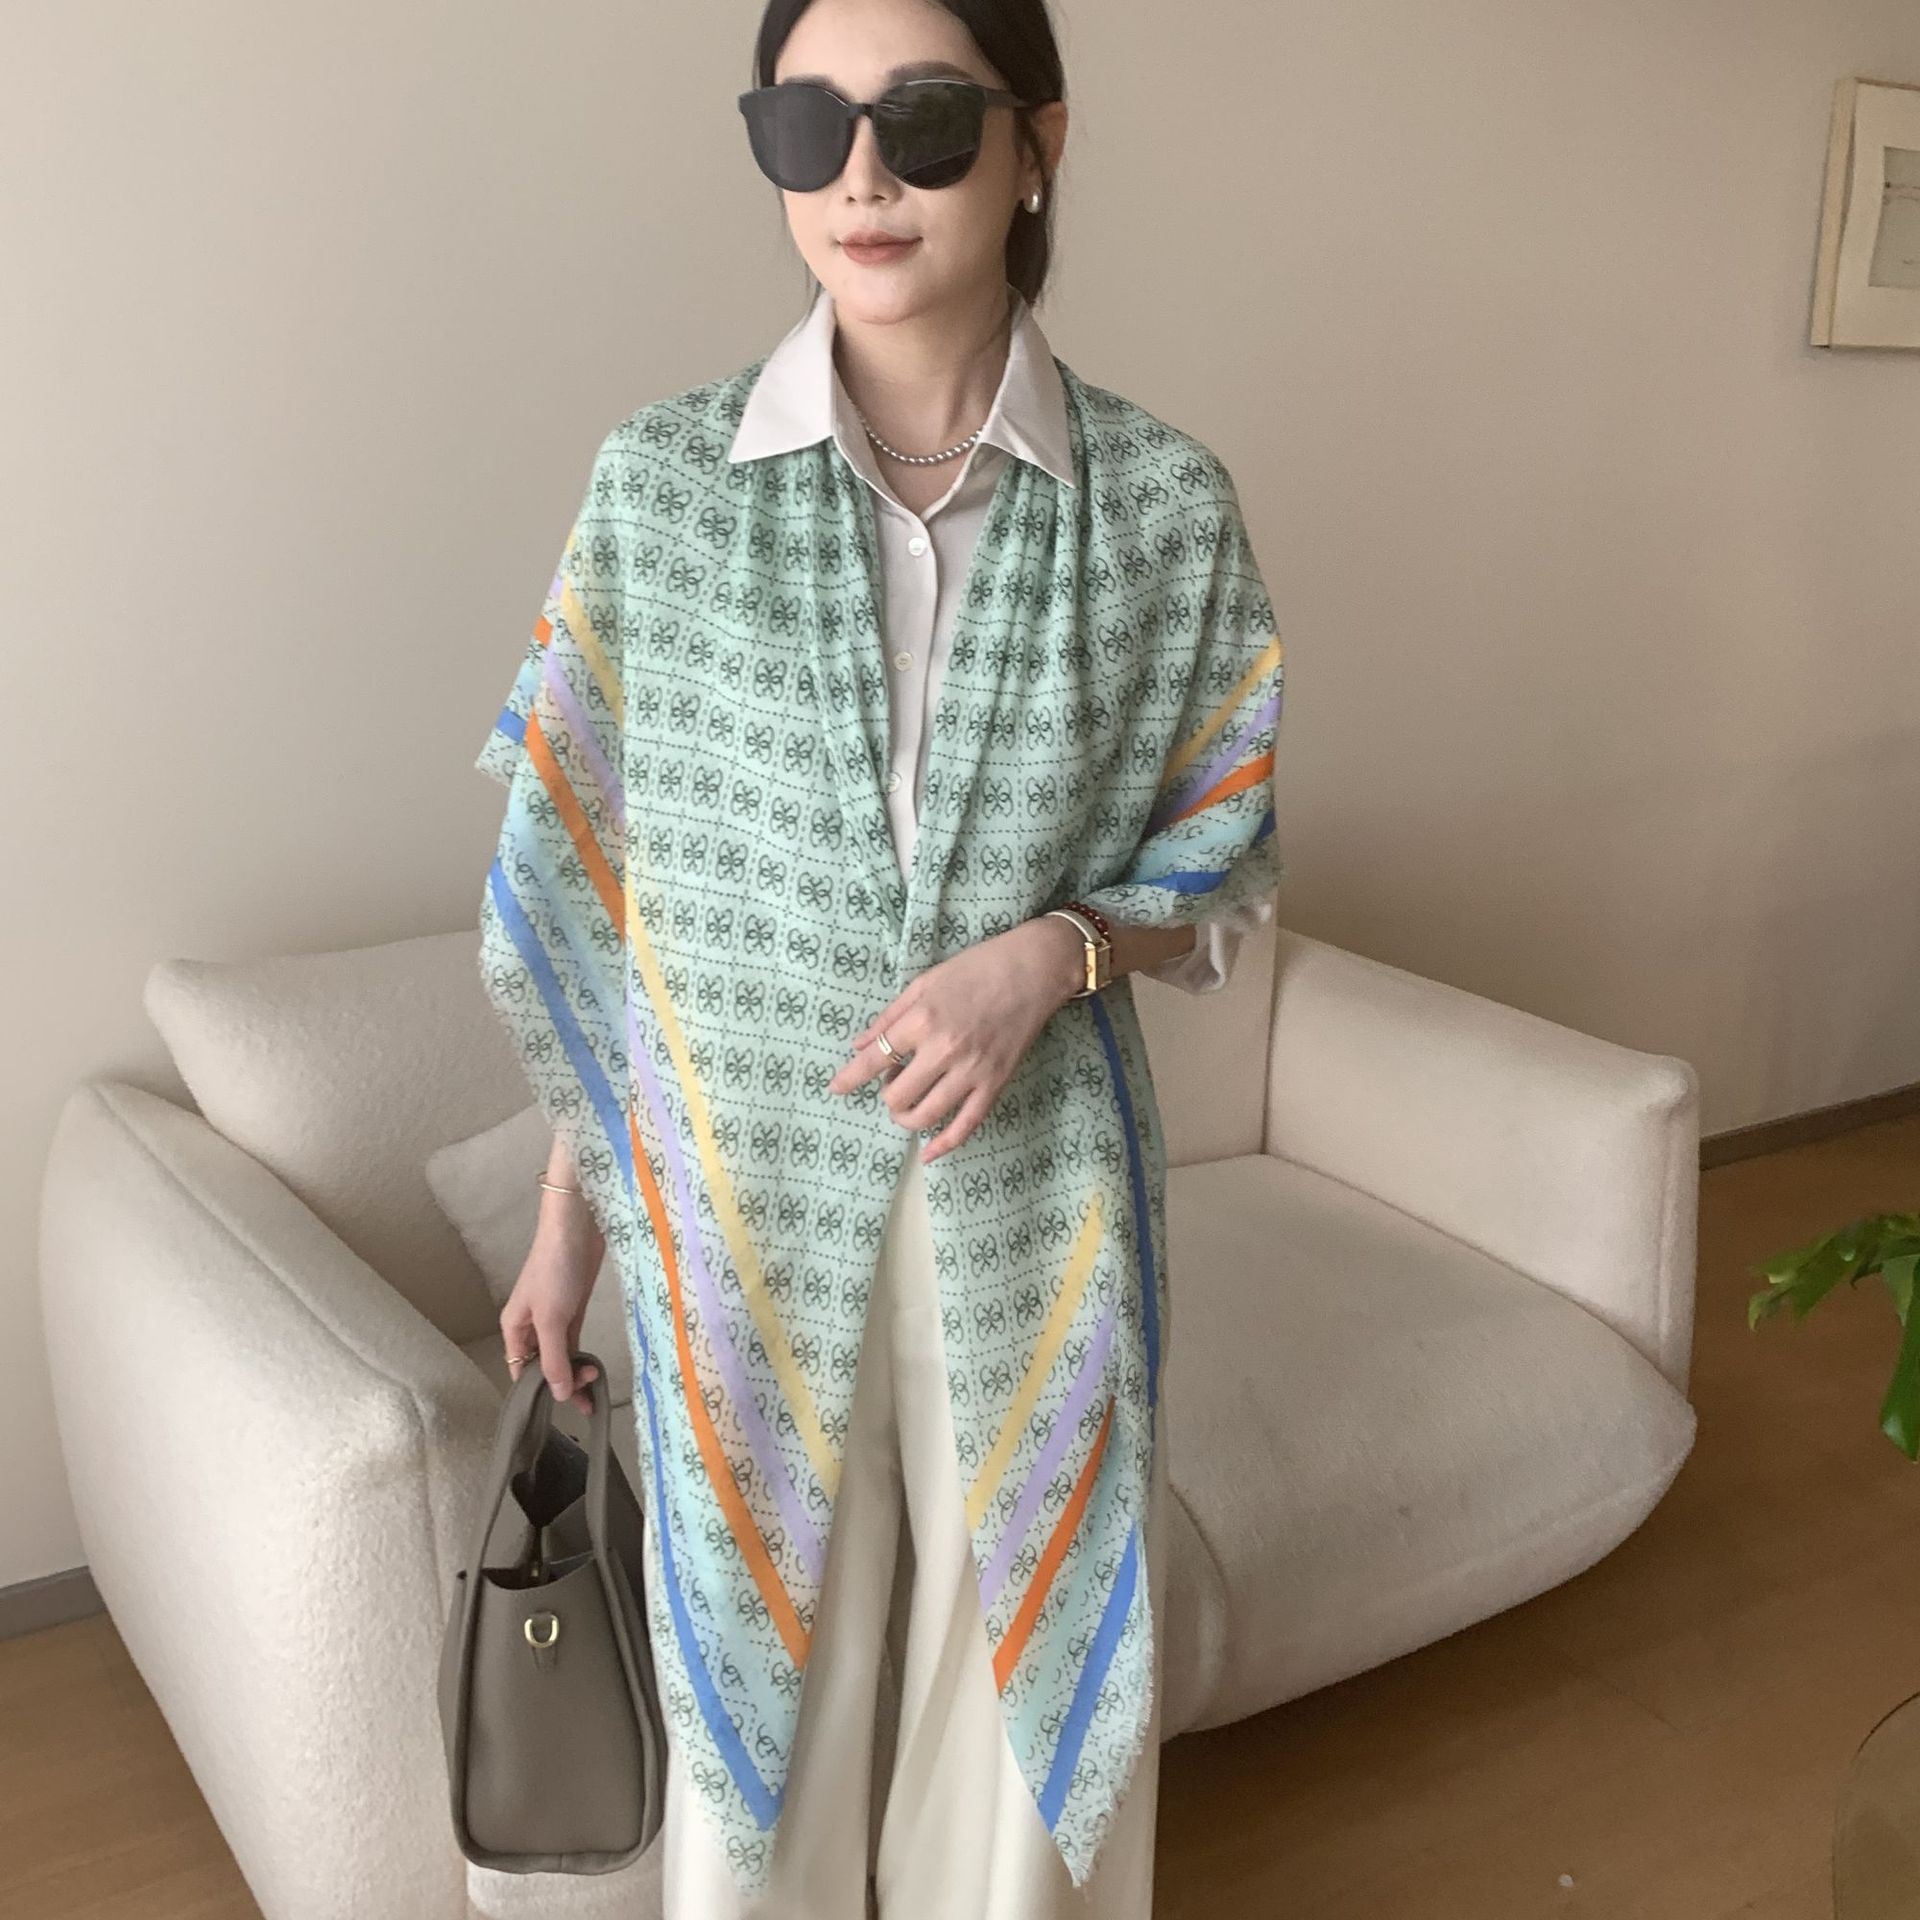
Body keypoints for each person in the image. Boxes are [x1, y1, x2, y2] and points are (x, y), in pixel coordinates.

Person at [475, 2, 1285, 1914]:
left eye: (923, 120)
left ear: (1038, 141)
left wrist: (1049, 958)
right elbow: (615, 910)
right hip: (738, 1197)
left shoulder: (1161, 507)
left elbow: (1221, 873)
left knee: (1019, 1705)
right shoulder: (663, 491)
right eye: (805, 124)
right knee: (766, 1682)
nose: (862, 175)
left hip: (1036, 1189)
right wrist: (570, 1224)